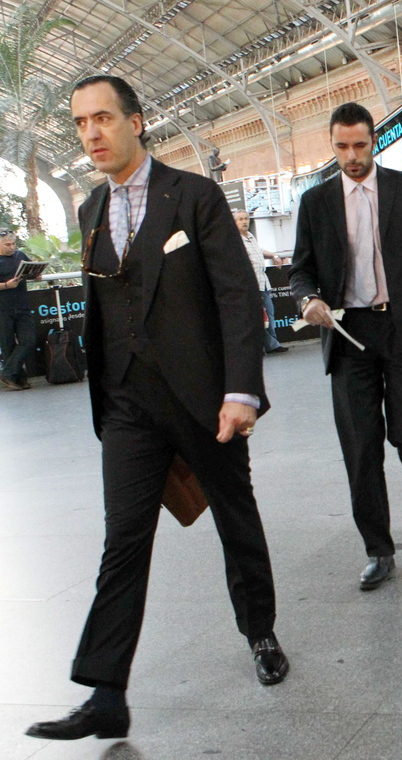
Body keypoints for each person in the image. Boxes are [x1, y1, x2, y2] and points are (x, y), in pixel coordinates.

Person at [25, 75, 289, 743]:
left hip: (205, 400)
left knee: (235, 516)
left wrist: (241, 391)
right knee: (123, 541)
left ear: (136, 122)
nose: (91, 133)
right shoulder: (89, 211)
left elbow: (235, 298)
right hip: (127, 406)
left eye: (104, 118)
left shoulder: (193, 197)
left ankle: (260, 632)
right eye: (82, 122)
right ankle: (106, 692)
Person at [290, 102, 402, 591]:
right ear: (333, 145)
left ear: (374, 140)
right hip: (348, 338)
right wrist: (308, 299)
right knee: (361, 450)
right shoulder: (315, 202)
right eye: (342, 146)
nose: (352, 155)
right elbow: (300, 271)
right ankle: (379, 550)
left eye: (360, 144)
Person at [234, 209, 288, 355]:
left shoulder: (250, 236)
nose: (244, 221)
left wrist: (274, 255)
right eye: (240, 219)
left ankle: (272, 345)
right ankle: (269, 345)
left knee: (269, 315)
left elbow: (259, 251)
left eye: (246, 218)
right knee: (258, 318)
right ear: (234, 222)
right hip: (251, 286)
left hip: (263, 283)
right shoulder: (235, 241)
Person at [0, 230, 37, 390]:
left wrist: (36, 274)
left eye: (13, 243)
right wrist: (7, 285)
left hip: (22, 305)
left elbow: (30, 270)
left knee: (28, 340)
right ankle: (17, 379)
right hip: (2, 308)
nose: (12, 247)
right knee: (7, 344)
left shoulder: (20, 255)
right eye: (7, 244)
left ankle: (7, 373)